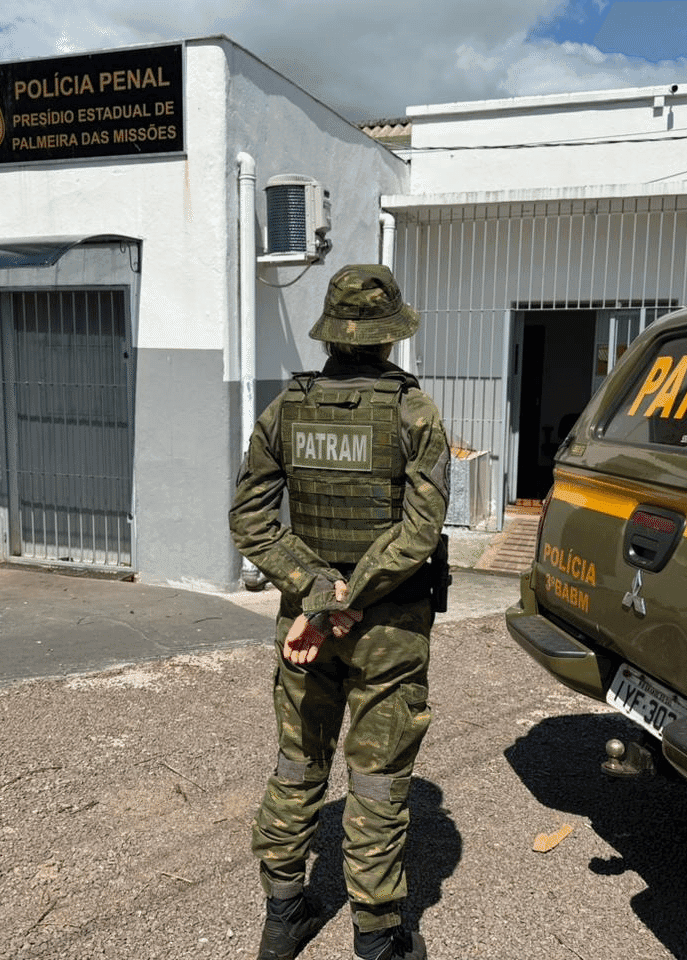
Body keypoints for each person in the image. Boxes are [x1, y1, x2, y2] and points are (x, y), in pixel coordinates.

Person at [229, 264, 450, 960]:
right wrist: (348, 596)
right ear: (390, 338)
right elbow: (419, 533)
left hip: (305, 627)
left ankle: (283, 914)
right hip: (389, 626)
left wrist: (318, 594)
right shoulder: (415, 414)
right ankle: (378, 938)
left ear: (331, 333)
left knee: (298, 764)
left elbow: (250, 520)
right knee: (378, 778)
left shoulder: (285, 410)